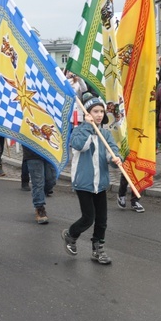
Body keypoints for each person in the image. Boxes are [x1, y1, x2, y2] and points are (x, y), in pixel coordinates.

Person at [61, 93, 123, 265]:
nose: (99, 115)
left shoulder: (106, 134)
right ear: (87, 114)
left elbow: (112, 153)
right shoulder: (79, 131)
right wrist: (88, 127)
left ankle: (98, 250)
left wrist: (116, 160)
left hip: (101, 184)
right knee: (88, 218)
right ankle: (71, 235)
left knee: (102, 220)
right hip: (84, 183)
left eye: (101, 111)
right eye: (95, 111)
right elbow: (80, 146)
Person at [22, 145, 56, 224]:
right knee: (38, 182)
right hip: (32, 152)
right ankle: (39, 208)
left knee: (51, 180)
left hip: (49, 150)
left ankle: (38, 194)